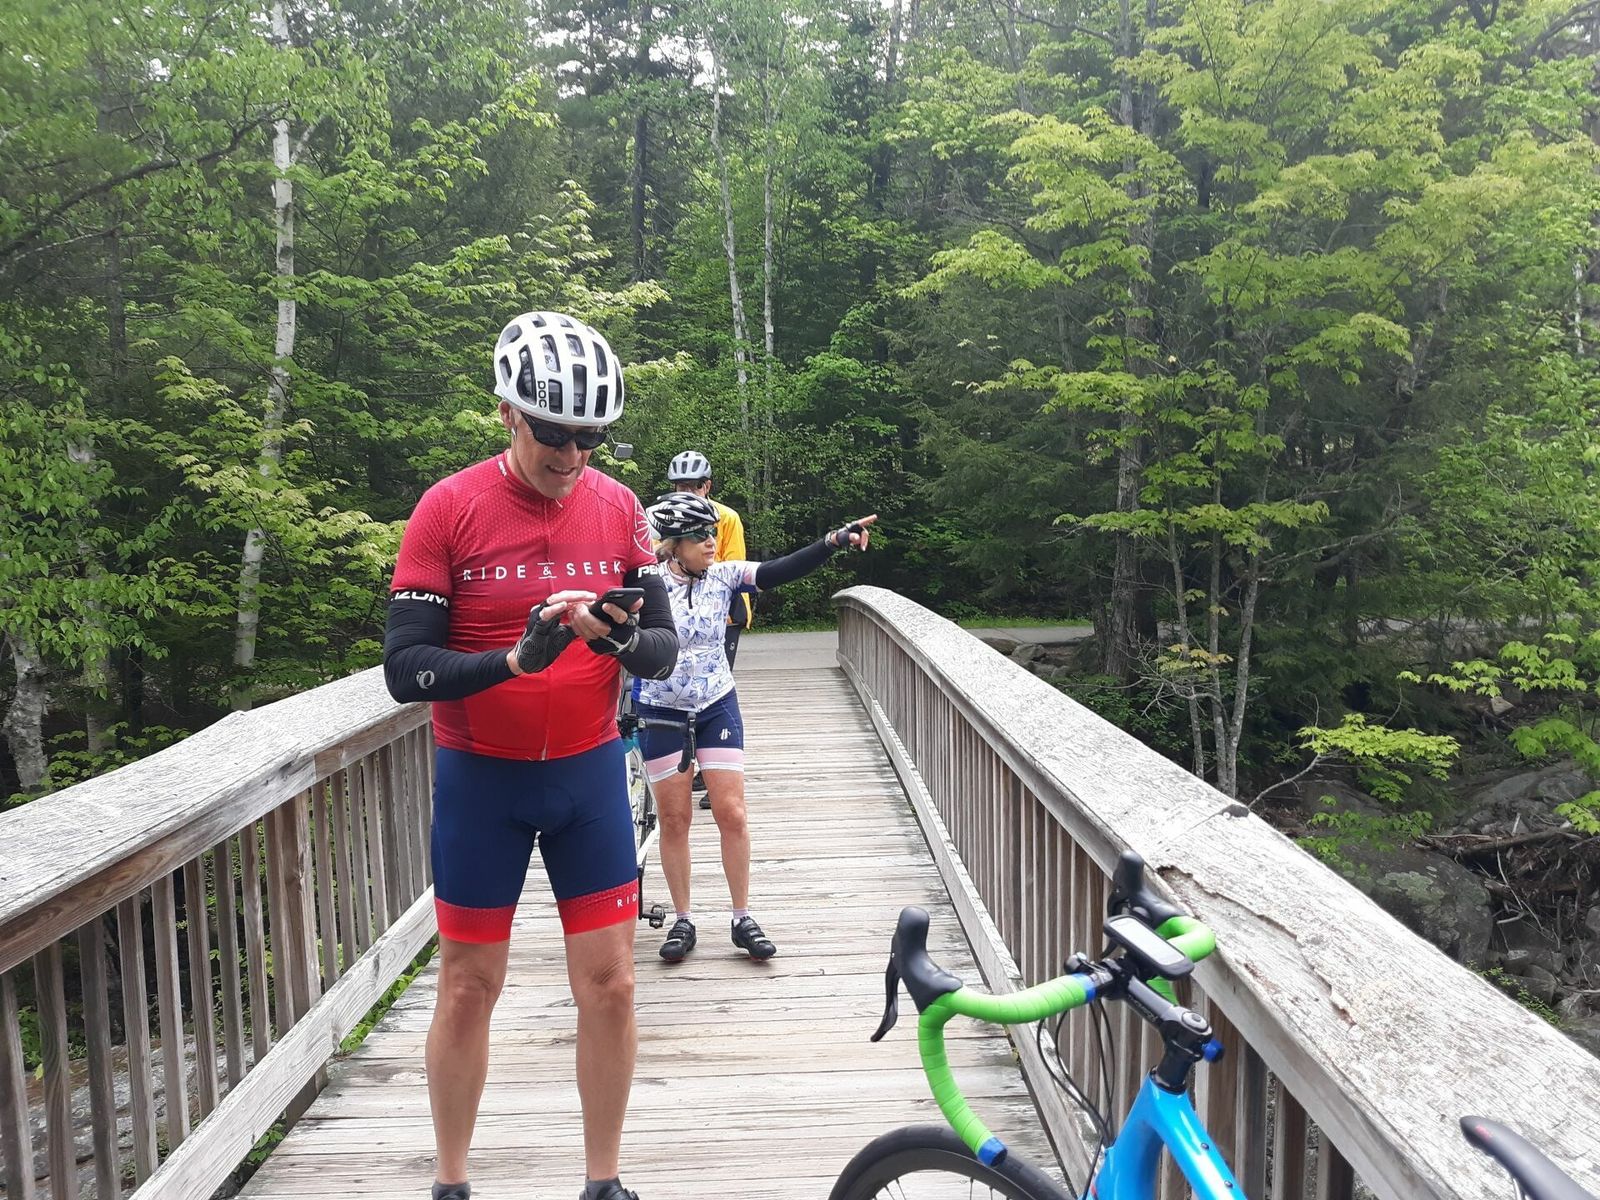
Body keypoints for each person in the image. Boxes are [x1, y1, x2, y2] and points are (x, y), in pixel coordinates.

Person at [382, 311, 678, 1200]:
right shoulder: (449, 508)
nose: (573, 454)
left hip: (587, 773)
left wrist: (615, 639)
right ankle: (451, 1182)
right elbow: (405, 668)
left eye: (592, 437)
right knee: (469, 985)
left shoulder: (620, 508)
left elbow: (664, 652)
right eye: (555, 433)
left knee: (612, 985)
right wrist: (512, 661)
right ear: (508, 412)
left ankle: (603, 1181)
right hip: (482, 779)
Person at [638, 491, 876, 963]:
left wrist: (832, 541)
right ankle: (684, 919)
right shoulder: (646, 584)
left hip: (716, 705)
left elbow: (776, 571)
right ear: (673, 545)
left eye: (712, 532)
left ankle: (741, 917)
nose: (712, 541)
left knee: (732, 813)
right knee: (675, 819)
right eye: (700, 536)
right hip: (661, 710)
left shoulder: (725, 575)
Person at [664, 450, 753, 669]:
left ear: (707, 486)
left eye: (695, 486)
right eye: (682, 486)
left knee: (717, 674)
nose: (689, 493)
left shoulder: (726, 518)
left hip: (722, 611)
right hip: (675, 611)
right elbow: (656, 562)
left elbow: (736, 567)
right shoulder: (665, 518)